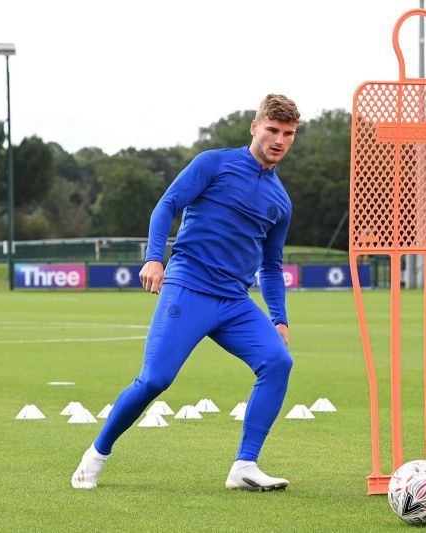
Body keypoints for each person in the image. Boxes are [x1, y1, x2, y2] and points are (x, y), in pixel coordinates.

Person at [71, 94, 300, 492]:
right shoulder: (214, 163)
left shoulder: (281, 201)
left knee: (278, 362)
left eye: (289, 133)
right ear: (254, 127)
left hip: (234, 302)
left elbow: (272, 266)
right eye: (273, 130)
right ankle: (95, 455)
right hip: (188, 288)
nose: (279, 140)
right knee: (155, 379)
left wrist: (278, 318)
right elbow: (167, 205)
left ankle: (244, 466)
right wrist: (154, 258)